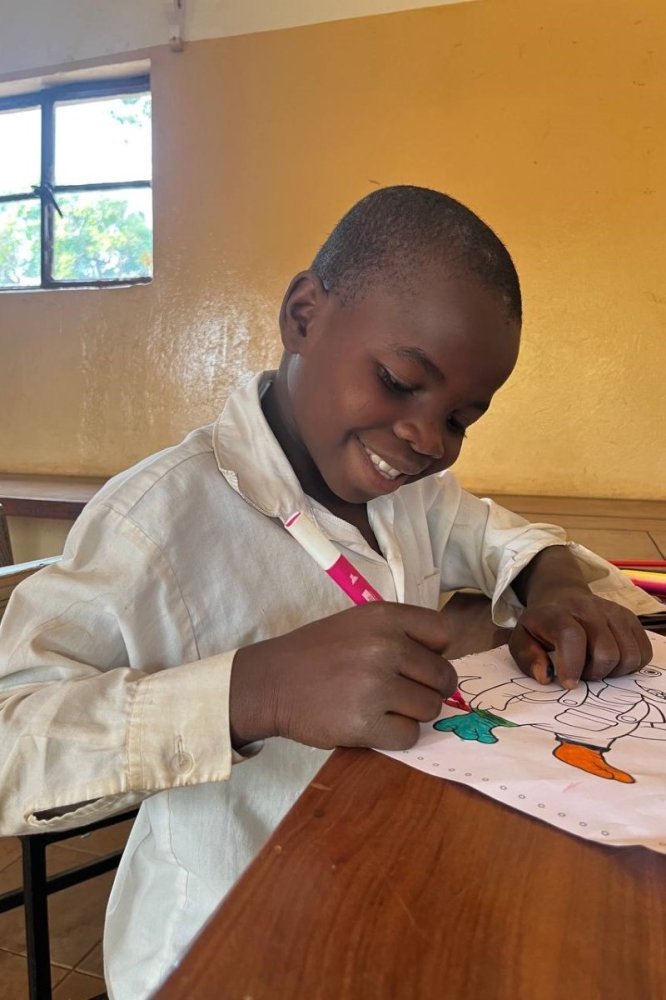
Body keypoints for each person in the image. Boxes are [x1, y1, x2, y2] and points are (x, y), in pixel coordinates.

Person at [0, 186, 659, 999]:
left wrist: (553, 580)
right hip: (224, 943)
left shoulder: (409, 493)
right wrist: (254, 691)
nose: (427, 438)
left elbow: (492, 535)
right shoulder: (157, 521)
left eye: (462, 417)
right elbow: (10, 742)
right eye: (397, 380)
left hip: (380, 895)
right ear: (304, 314)